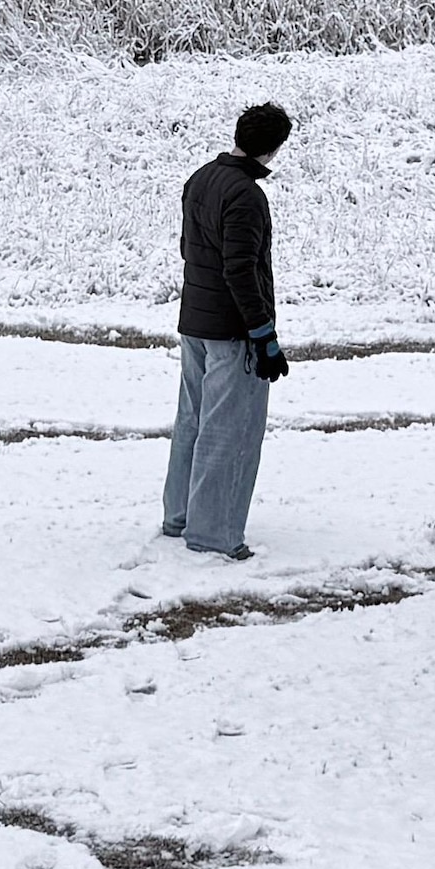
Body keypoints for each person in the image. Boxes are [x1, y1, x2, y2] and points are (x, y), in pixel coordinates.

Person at [165, 101, 293, 558]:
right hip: (231, 330)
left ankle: (179, 516)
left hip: (194, 322)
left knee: (192, 422)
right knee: (230, 430)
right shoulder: (247, 196)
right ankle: (214, 534)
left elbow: (188, 247)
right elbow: (241, 271)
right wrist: (264, 336)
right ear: (274, 149)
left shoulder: (200, 178)